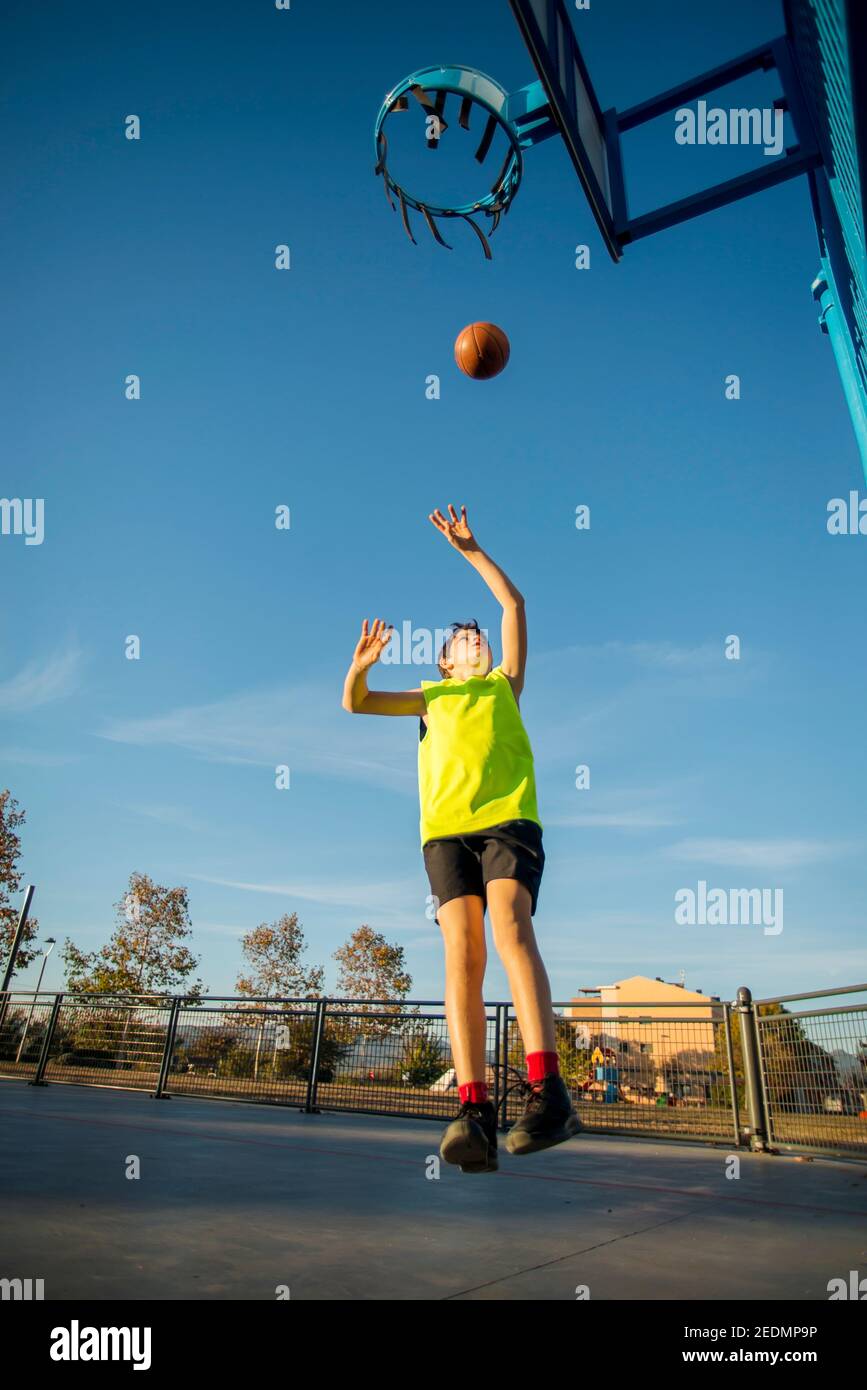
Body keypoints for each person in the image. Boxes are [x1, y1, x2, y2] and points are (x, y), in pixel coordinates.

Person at [341, 504, 581, 1174]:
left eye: (480, 638)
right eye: (463, 641)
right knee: (461, 955)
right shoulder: (430, 698)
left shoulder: (505, 686)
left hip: (508, 822)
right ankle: (472, 1108)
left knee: (508, 925)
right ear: (445, 662)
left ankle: (548, 1091)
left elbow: (512, 601)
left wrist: (471, 550)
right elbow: (355, 704)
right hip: (444, 835)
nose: (476, 641)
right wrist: (359, 667)